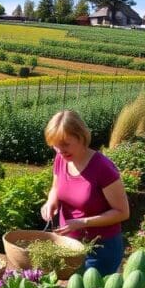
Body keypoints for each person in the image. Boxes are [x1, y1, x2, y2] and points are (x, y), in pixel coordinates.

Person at [40, 110, 129, 275]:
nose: (60, 150)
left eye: (65, 144)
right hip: (69, 245)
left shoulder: (103, 168)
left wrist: (82, 222)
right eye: (55, 145)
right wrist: (51, 201)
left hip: (100, 248)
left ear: (81, 137)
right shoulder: (61, 159)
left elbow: (122, 212)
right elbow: (55, 187)